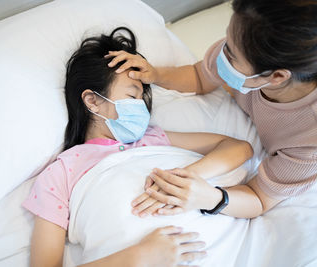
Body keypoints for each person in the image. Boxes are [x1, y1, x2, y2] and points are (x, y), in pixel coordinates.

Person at [22, 27, 253, 267]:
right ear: (92, 101)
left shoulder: (153, 139)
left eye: (142, 99)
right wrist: (138, 257)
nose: (141, 108)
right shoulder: (62, 173)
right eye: (133, 97)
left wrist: (185, 178)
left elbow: (239, 148)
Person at [107, 0, 317, 219]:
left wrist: (210, 198)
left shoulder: (310, 141)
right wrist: (156, 75)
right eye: (227, 39)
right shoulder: (245, 39)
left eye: (232, 54)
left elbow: (259, 198)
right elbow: (199, 77)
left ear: (277, 77)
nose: (222, 54)